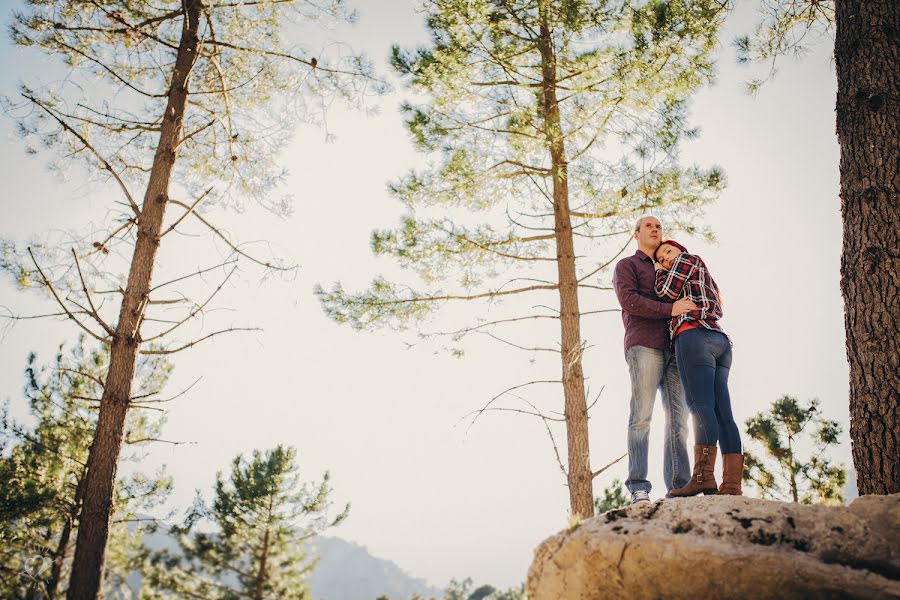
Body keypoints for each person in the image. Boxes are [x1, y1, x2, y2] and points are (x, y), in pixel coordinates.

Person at [613, 216, 696, 504]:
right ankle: (638, 487)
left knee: (679, 419)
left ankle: (679, 486)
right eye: (648, 226)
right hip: (643, 345)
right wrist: (670, 309)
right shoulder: (627, 266)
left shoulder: (673, 264)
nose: (655, 229)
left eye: (659, 226)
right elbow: (630, 302)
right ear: (635, 234)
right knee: (641, 416)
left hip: (676, 348)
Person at [653, 239, 743, 496]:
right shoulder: (702, 276)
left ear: (680, 249)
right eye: (660, 259)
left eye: (668, 252)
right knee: (722, 412)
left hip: (694, 336)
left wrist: (660, 273)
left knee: (699, 406)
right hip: (719, 342)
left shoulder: (686, 260)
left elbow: (665, 294)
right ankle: (732, 485)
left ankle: (703, 478)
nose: (666, 260)